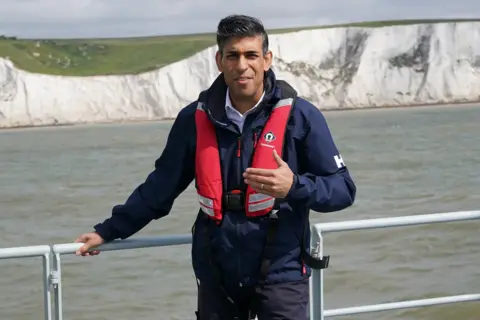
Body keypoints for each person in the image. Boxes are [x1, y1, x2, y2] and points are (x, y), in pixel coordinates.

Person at [74, 14, 356, 320]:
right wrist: (107, 231)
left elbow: (343, 189)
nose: (242, 65)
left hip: (280, 273)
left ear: (267, 59)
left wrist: (294, 186)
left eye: (251, 55)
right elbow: (159, 188)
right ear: (219, 60)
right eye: (232, 55)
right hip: (216, 272)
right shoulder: (194, 119)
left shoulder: (301, 117)